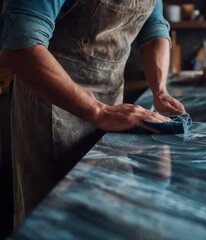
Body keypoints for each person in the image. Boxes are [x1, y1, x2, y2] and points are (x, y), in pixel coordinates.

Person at [0, 0, 186, 228]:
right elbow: (20, 45)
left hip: (112, 108)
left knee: (107, 217)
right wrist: (98, 110)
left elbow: (154, 28)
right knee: (58, 219)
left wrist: (160, 89)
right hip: (52, 106)